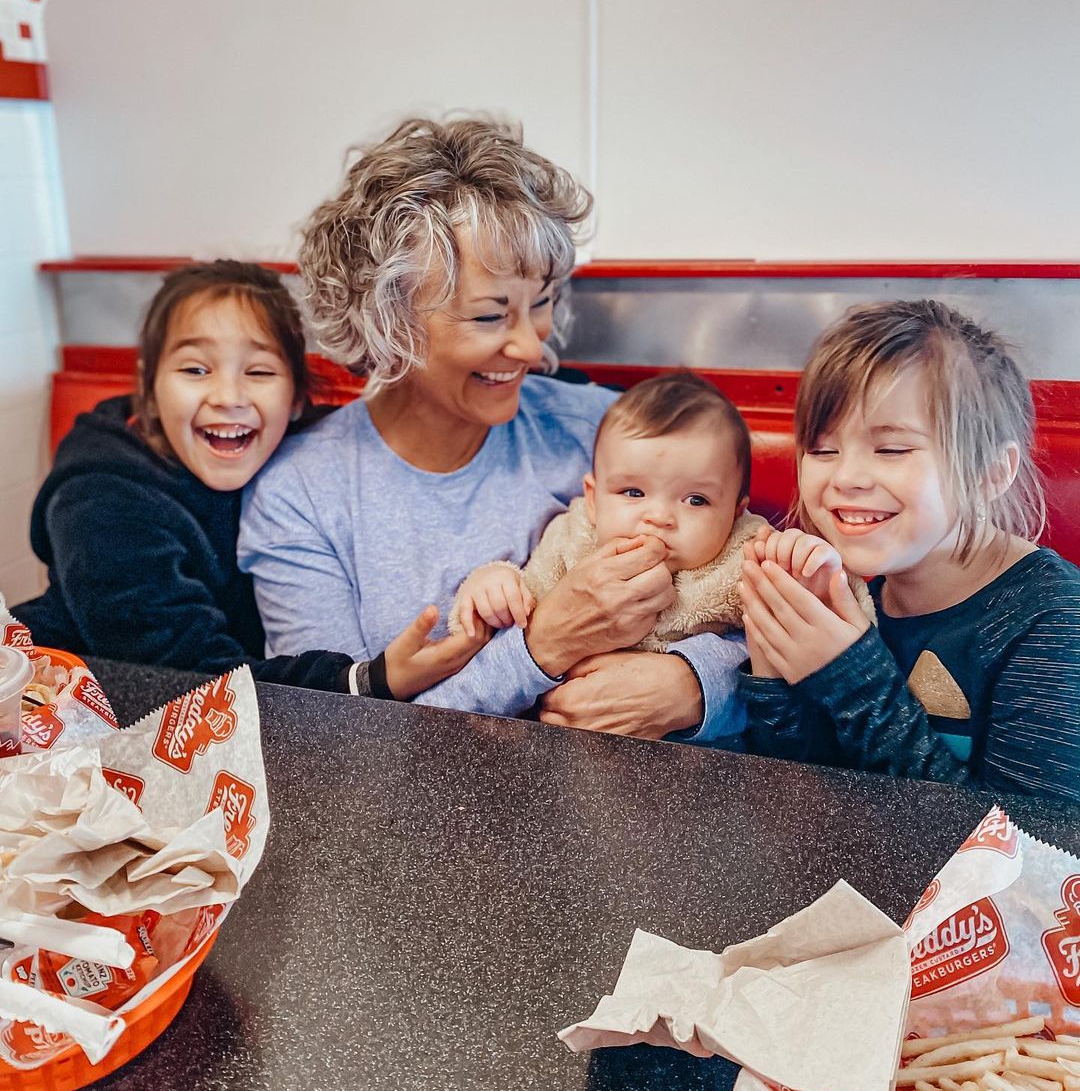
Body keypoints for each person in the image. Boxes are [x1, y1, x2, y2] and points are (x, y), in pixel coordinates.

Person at [238, 117, 748, 742]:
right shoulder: (303, 495)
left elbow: (757, 621)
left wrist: (696, 686)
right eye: (489, 315)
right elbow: (329, 733)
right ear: (385, 318)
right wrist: (542, 647)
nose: (532, 347)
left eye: (541, 303)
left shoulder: (604, 434)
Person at [15, 261, 471, 700]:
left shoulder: (309, 456)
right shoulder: (103, 502)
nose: (229, 397)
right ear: (149, 387)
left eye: (259, 372)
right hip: (61, 714)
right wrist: (368, 681)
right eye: (196, 369)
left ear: (295, 399)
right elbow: (187, 681)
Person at [737, 298, 1080, 802]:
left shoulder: (1053, 620)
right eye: (823, 449)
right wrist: (772, 669)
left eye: (892, 449)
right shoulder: (855, 588)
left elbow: (1020, 851)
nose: (846, 478)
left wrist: (847, 675)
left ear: (991, 473)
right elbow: (805, 796)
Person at [452, 372, 873, 648]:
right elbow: (525, 595)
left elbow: (831, 618)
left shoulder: (746, 557)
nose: (659, 517)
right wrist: (495, 582)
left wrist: (813, 572)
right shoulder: (572, 539)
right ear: (594, 500)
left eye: (696, 500)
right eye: (633, 493)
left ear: (735, 513)